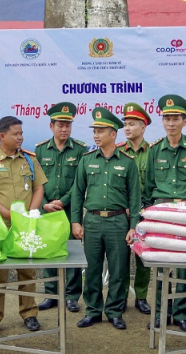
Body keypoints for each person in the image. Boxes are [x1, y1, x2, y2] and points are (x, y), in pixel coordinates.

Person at [0, 116, 47, 336]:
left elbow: (38, 188)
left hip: (26, 224)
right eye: (16, 134)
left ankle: (29, 314)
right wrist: (10, 215)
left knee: (28, 271)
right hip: (0, 225)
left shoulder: (29, 160)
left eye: (21, 134)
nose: (20, 138)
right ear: (2, 135)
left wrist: (31, 213)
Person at [144, 95, 186, 334]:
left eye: (175, 119)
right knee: (161, 266)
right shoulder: (154, 150)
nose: (170, 123)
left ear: (184, 121)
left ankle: (181, 314)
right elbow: (149, 186)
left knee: (183, 266)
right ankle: (161, 313)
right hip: (162, 210)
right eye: (166, 118)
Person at [72, 107, 141, 329]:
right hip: (92, 221)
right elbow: (77, 192)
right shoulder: (86, 160)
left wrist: (133, 227)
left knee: (119, 268)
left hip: (118, 222)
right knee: (92, 268)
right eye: (94, 131)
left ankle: (114, 311)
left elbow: (135, 198)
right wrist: (76, 221)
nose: (96, 135)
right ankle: (92, 310)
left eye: (101, 131)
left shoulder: (128, 163)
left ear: (113, 133)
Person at [35, 102, 87, 314]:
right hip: (46, 208)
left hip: (69, 209)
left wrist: (63, 202)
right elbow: (36, 181)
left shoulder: (81, 150)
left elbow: (79, 183)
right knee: (48, 250)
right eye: (60, 125)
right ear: (51, 126)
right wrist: (45, 203)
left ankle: (72, 296)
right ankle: (51, 294)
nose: (64, 129)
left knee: (72, 252)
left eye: (68, 125)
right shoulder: (40, 150)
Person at [118, 102, 153, 315]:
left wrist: (145, 209)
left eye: (132, 124)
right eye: (125, 124)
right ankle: (120, 297)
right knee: (121, 258)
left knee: (144, 259)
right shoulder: (119, 151)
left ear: (144, 126)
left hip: (146, 213)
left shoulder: (154, 152)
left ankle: (141, 297)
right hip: (123, 214)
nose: (128, 128)